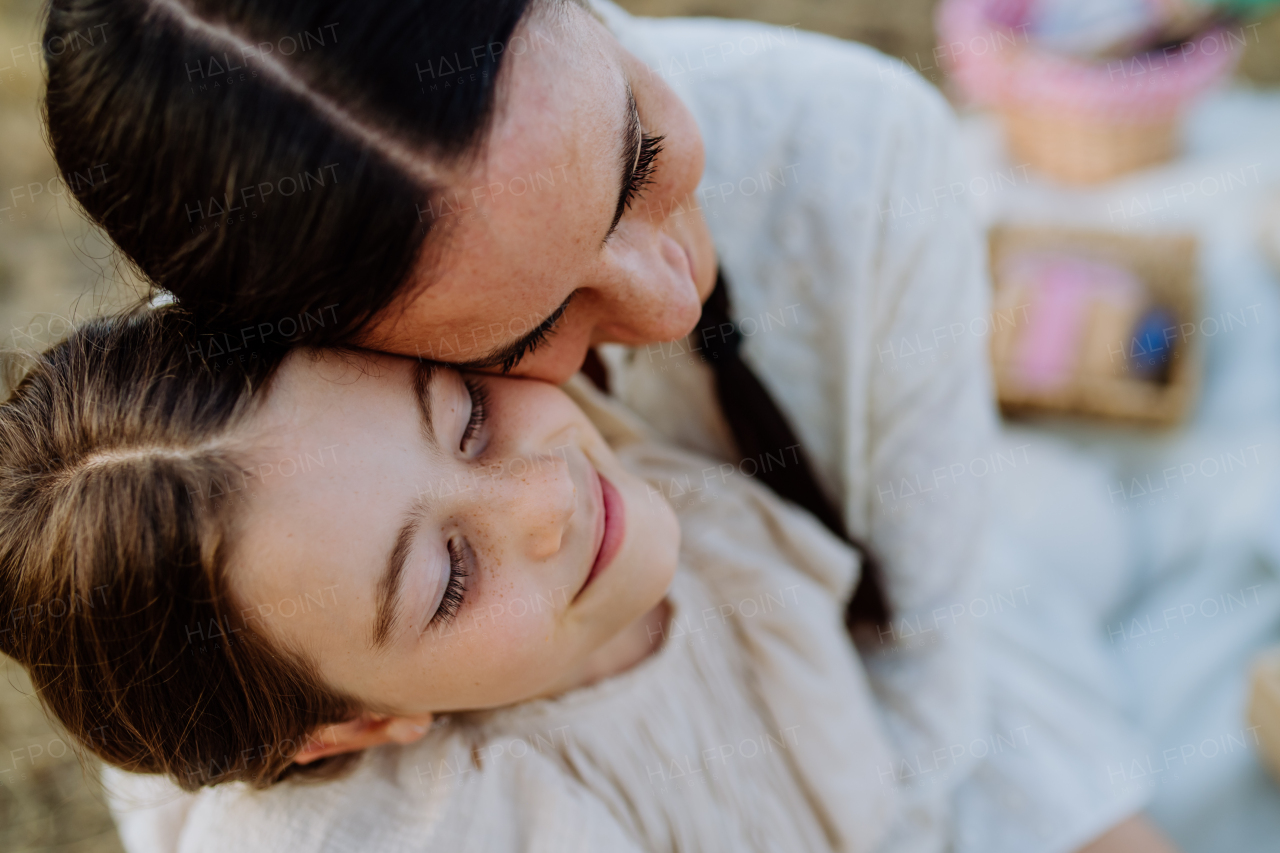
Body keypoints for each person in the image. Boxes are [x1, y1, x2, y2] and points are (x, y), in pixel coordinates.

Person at [37, 1, 1173, 851]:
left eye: (633, 151)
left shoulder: (859, 150)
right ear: (311, 338)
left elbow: (928, 655)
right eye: (515, 330)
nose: (673, 301)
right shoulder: (226, 463)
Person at [1, 309, 1162, 853]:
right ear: (355, 723)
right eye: (447, 577)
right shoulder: (480, 825)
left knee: (1077, 522)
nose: (545, 495)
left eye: (460, 415)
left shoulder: (604, 438)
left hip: (930, 763)